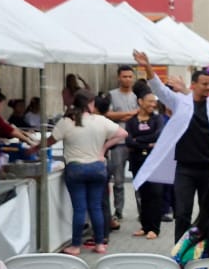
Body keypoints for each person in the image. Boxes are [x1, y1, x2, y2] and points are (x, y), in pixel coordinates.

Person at [130, 51, 209, 241]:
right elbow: (159, 89)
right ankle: (180, 251)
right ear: (193, 85)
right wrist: (147, 66)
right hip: (185, 169)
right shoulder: (180, 102)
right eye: (204, 84)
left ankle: (206, 248)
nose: (208, 88)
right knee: (183, 212)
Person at [51, 90, 125, 255]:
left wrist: (34, 148)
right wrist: (104, 148)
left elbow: (50, 141)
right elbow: (123, 133)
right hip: (98, 168)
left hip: (75, 168)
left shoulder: (66, 121)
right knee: (96, 207)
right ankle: (99, 244)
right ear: (89, 104)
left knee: (79, 209)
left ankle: (76, 246)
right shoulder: (100, 120)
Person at [105, 65, 144, 228]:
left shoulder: (138, 96)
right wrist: (130, 114)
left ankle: (142, 212)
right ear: (118, 77)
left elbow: (143, 113)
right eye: (124, 76)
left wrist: (129, 115)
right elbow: (108, 114)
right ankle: (118, 211)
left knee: (139, 179)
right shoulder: (112, 95)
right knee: (118, 180)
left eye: (130, 76)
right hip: (117, 143)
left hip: (136, 142)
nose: (127, 79)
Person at [125, 93, 168, 239]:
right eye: (149, 101)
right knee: (143, 194)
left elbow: (158, 135)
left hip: (155, 161)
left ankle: (154, 229)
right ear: (140, 101)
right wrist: (147, 144)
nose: (153, 104)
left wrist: (138, 141)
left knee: (155, 193)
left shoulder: (158, 119)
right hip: (137, 160)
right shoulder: (131, 121)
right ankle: (145, 225)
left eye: (154, 102)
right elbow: (128, 140)